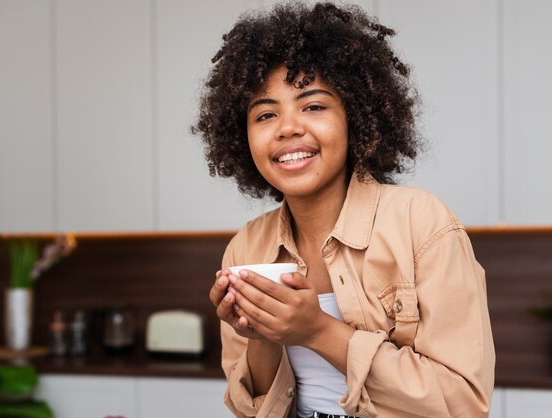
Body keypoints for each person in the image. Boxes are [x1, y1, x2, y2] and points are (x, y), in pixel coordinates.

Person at [193, 2, 495, 417]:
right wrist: (260, 335)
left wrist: (317, 331)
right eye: (265, 114)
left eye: (313, 106)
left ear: (355, 116)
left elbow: (463, 404)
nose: (287, 128)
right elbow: (254, 409)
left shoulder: (422, 223)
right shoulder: (247, 246)